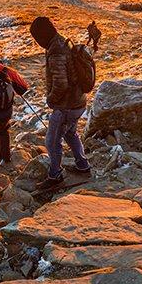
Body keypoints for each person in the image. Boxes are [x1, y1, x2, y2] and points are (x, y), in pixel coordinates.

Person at [29, 16, 91, 190]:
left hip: (66, 106)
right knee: (71, 134)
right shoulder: (64, 41)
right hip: (78, 101)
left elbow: (61, 83)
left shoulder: (56, 51)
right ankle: (82, 165)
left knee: (52, 141)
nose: (37, 43)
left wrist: (51, 99)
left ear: (42, 36)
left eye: (37, 39)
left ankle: (55, 175)